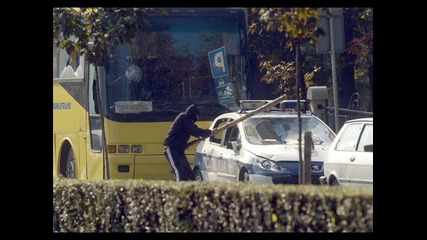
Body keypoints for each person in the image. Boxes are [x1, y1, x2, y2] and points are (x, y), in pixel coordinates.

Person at [163, 104, 218, 181]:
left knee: (188, 174)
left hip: (179, 151)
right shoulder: (183, 118)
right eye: (197, 115)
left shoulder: (186, 121)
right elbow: (195, 130)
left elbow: (193, 131)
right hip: (171, 149)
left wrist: (199, 137)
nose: (198, 118)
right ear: (194, 114)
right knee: (179, 173)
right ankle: (178, 191)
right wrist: (210, 132)